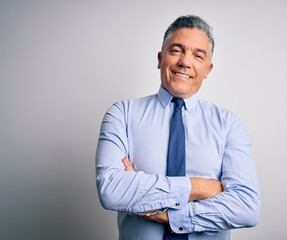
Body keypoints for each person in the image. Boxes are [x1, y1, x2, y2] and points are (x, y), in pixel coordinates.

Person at [96, 15, 260, 240]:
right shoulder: (122, 114)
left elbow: (247, 209)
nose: (185, 61)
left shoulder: (228, 124)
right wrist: (200, 187)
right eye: (176, 50)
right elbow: (111, 190)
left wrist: (167, 215)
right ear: (160, 58)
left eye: (198, 55)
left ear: (208, 69)